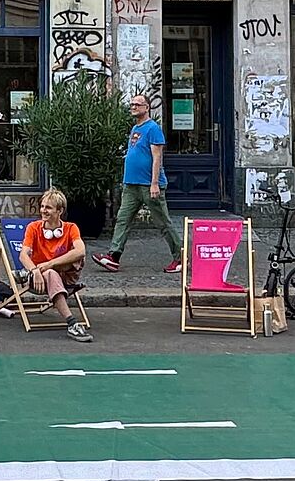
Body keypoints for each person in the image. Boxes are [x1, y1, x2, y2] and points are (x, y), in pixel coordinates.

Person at [92, 95, 182, 273]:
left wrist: (154, 183)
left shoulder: (153, 129)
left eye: (137, 104)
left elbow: (157, 157)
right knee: (123, 220)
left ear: (147, 107)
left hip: (148, 185)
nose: (133, 107)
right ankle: (113, 256)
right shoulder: (135, 128)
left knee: (163, 223)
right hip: (131, 185)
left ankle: (181, 258)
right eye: (131, 104)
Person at [17, 189, 92, 342]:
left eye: (48, 208)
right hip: (40, 280)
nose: (43, 210)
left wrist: (49, 264)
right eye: (42, 206)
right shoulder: (33, 228)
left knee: (76, 257)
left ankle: (50, 270)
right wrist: (35, 271)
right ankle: (72, 323)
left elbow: (81, 251)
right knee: (51, 274)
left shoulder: (71, 228)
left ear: (60, 211)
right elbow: (23, 255)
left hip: (65, 276)